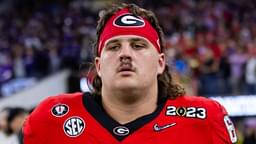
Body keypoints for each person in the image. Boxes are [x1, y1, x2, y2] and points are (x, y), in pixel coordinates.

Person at [22, 3, 237, 144]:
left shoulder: (206, 121)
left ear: (161, 63)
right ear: (98, 65)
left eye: (138, 45)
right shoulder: (51, 119)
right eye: (113, 47)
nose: (125, 54)